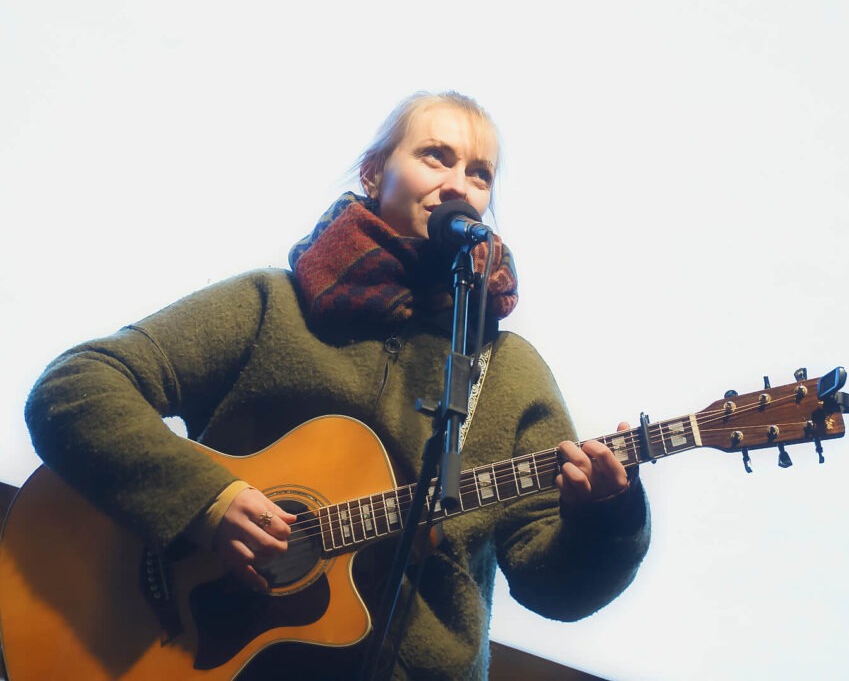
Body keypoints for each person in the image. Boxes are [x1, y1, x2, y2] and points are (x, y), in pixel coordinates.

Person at [24, 91, 651, 679]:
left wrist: (607, 519)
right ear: (375, 173)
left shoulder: (510, 370)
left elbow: (558, 591)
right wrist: (207, 504)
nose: (459, 183)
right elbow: (75, 389)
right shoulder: (272, 305)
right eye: (437, 156)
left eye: (481, 174)